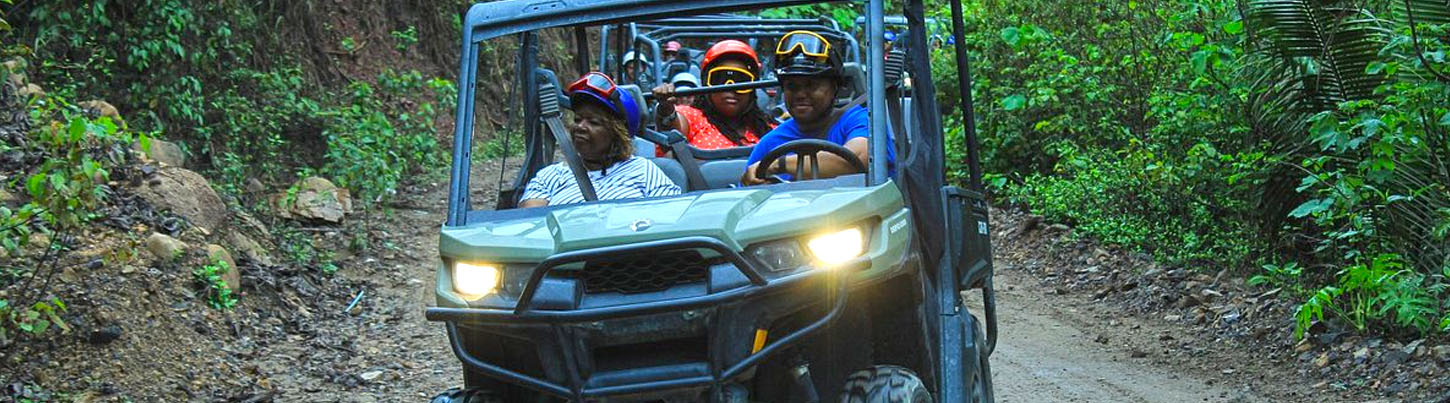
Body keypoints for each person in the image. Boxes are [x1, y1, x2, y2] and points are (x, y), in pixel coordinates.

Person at [741, 30, 895, 185]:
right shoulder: (771, 142)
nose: (800, 94)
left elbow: (859, 157)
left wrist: (779, 165)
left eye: (811, 85)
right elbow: (748, 193)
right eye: (792, 86)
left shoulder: (860, 120)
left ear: (834, 87)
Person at [519, 72, 681, 207]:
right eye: (577, 119)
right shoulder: (551, 176)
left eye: (593, 122)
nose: (580, 127)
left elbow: (672, 218)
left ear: (617, 133)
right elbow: (530, 224)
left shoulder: (644, 171)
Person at [650, 40, 776, 154]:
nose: (730, 87)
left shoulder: (767, 128)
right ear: (706, 84)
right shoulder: (692, 117)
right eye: (720, 78)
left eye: (741, 80)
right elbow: (674, 127)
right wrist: (666, 110)